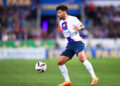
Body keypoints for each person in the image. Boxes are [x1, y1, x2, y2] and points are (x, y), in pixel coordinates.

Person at [56, 5, 99, 86]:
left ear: (64, 11)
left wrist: (79, 28)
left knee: (82, 58)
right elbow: (65, 32)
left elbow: (83, 26)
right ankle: (67, 81)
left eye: (59, 12)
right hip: (69, 45)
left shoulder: (73, 19)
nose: (58, 14)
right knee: (60, 62)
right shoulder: (61, 23)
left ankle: (94, 77)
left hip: (77, 42)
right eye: (57, 12)